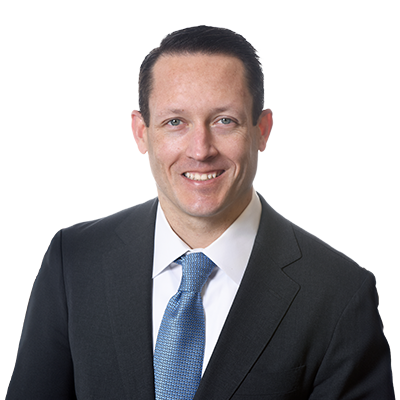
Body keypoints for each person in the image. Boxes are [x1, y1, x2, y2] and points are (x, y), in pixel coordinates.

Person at [6, 25, 394, 399]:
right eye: (175, 122)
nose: (200, 149)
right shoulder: (73, 262)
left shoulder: (339, 294)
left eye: (225, 121)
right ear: (141, 133)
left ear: (262, 130)